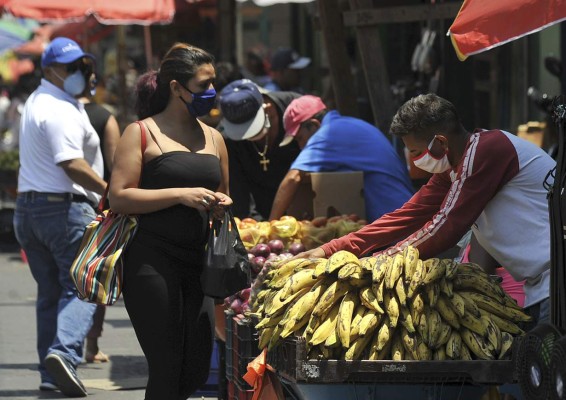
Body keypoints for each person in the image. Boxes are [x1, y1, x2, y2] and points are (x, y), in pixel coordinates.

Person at [295, 93, 554, 325]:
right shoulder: (453, 167)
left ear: (440, 142)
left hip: (554, 281)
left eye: (416, 151)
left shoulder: (487, 151)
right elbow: (405, 217)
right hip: (539, 284)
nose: (415, 160)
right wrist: (330, 249)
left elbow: (445, 226)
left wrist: (379, 262)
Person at [108, 42, 232, 400]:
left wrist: (221, 203)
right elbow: (119, 197)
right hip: (151, 261)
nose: (211, 92)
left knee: (194, 369)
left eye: (213, 83)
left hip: (200, 263)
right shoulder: (141, 133)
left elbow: (224, 195)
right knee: (166, 367)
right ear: (176, 88)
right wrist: (180, 194)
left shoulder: (215, 137)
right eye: (203, 84)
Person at [13, 37, 106, 397]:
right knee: (83, 286)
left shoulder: (39, 101)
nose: (79, 74)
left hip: (30, 211)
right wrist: (107, 189)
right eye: (71, 68)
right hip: (63, 210)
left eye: (82, 66)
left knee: (51, 294)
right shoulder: (60, 108)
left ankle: (50, 373)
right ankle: (63, 354)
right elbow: (70, 162)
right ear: (50, 70)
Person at [269, 95, 414, 222]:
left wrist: (271, 225)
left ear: (314, 125)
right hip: (406, 214)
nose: (301, 146)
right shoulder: (350, 124)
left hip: (395, 224)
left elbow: (293, 178)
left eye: (300, 138)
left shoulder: (328, 134)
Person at [78, 71, 122, 364]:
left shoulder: (53, 113)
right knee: (96, 274)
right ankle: (91, 345)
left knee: (62, 280)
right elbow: (117, 165)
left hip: (58, 201)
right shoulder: (104, 117)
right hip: (97, 204)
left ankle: (61, 343)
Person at [218, 78, 301, 220]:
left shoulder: (297, 110)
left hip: (300, 210)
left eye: (251, 128)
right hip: (254, 215)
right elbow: (236, 186)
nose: (247, 135)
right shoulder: (226, 137)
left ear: (266, 108)